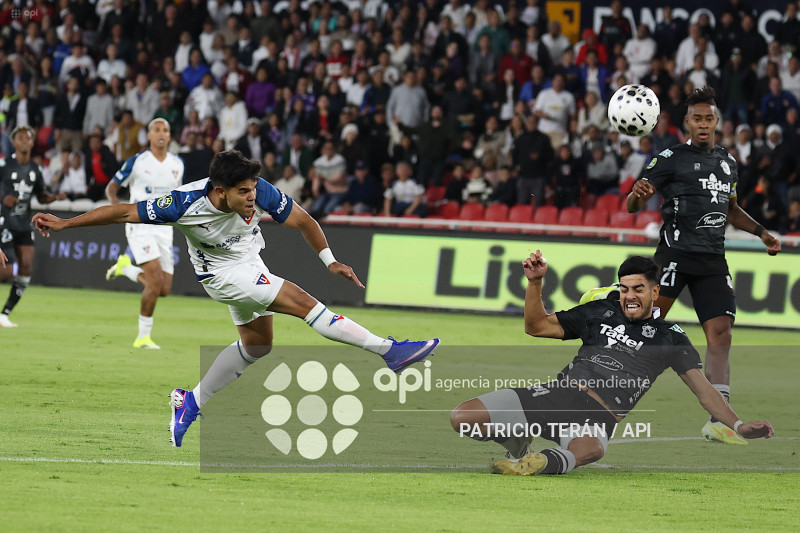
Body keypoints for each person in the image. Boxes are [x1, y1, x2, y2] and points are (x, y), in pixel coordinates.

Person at [32, 150, 440, 448]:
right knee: (303, 303)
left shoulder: (257, 190)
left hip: (249, 262)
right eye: (243, 192)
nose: (252, 198)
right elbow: (122, 212)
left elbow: (303, 220)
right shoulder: (182, 204)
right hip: (221, 276)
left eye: (253, 189)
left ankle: (190, 401)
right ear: (219, 190)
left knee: (259, 346)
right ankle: (389, 350)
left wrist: (330, 260)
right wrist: (67, 223)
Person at [450, 252, 774, 475]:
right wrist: (535, 283)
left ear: (655, 291)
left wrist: (737, 425)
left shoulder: (670, 338)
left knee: (590, 449)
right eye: (624, 288)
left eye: (638, 289)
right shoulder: (599, 311)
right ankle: (516, 441)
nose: (629, 296)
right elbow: (537, 326)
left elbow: (704, 391)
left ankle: (536, 464)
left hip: (597, 416)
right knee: (463, 417)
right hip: (556, 395)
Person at [625, 87, 781, 444]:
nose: (704, 124)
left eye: (709, 118)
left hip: (712, 258)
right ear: (687, 122)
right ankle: (608, 390)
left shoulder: (727, 162)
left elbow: (731, 209)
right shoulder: (669, 158)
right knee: (644, 329)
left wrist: (761, 233)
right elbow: (634, 202)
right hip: (674, 256)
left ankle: (719, 419)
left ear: (717, 122)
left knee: (721, 332)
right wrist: (638, 195)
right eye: (697, 118)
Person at [104, 118, 186, 349]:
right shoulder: (137, 161)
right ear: (149, 136)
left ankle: (125, 268)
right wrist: (115, 207)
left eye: (166, 130)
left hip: (164, 229)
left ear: (170, 136)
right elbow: (112, 187)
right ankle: (143, 337)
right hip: (139, 225)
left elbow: (177, 197)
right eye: (156, 130)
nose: (161, 133)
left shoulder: (177, 164)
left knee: (165, 289)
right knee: (154, 281)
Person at [0, 126, 66, 328]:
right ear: (14, 142)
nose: (25, 141)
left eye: (28, 138)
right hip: (4, 221)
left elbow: (40, 195)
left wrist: (53, 197)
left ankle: (4, 314)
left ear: (32, 142)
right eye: (20, 138)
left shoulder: (35, 169)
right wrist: (3, 198)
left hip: (23, 223)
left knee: (26, 265)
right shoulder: (4, 165)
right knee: (6, 272)